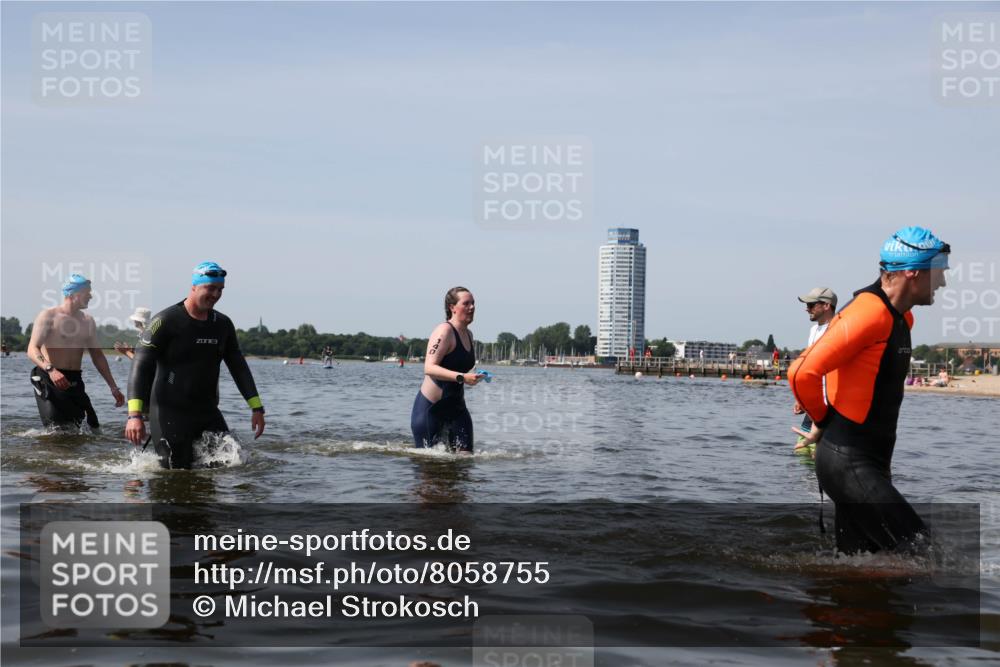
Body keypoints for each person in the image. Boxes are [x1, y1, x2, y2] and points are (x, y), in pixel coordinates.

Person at [789, 226, 950, 555]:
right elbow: (801, 372)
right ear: (913, 272)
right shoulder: (868, 313)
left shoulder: (902, 318)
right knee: (926, 555)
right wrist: (823, 419)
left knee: (860, 566)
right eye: (939, 272)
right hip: (848, 462)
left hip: (870, 461)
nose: (943, 282)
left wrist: (825, 422)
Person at [125, 262, 265, 469]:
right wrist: (134, 415)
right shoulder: (165, 321)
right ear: (194, 286)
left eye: (220, 289)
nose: (216, 294)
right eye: (210, 288)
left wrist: (257, 408)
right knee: (175, 473)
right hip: (169, 411)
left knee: (233, 463)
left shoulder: (222, 324)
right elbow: (141, 366)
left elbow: (238, 367)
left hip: (207, 410)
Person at [27, 274, 125, 428]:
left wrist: (113, 387)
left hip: (75, 380)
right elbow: (32, 349)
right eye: (87, 292)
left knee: (92, 427)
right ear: (74, 294)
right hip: (50, 378)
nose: (91, 296)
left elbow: (97, 356)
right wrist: (51, 369)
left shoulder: (87, 321)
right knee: (57, 429)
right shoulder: (48, 316)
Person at [410, 286, 482, 454]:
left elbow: (457, 369)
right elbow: (429, 367)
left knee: (466, 460)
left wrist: (471, 377)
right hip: (432, 410)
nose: (472, 307)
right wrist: (462, 377)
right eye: (466, 303)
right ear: (452, 307)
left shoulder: (469, 335)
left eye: (473, 303)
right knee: (431, 465)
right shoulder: (444, 331)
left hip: (457, 409)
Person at [792, 287, 838, 451]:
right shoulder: (813, 330)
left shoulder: (837, 329)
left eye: (811, 305)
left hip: (831, 403)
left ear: (826, 306)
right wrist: (802, 398)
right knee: (802, 451)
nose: (807, 309)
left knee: (818, 453)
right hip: (814, 401)